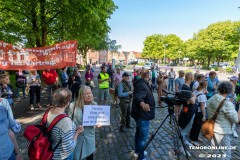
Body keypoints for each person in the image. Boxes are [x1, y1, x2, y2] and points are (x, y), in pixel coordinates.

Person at [47, 88, 84, 160]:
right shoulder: (65, 121)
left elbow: (59, 131)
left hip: (51, 152)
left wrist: (73, 129)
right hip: (62, 156)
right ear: (66, 102)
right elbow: (69, 148)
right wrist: (77, 133)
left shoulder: (49, 111)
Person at [207, 81, 240, 160]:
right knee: (225, 154)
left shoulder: (213, 98)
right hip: (222, 131)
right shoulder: (227, 104)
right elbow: (236, 120)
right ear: (229, 90)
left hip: (212, 127)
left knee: (214, 151)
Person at [131, 69, 155, 160]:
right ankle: (140, 157)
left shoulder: (142, 82)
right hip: (142, 115)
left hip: (141, 114)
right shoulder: (142, 84)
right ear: (148, 75)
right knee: (142, 137)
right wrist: (143, 104)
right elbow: (138, 97)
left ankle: (138, 151)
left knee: (139, 134)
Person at [68, 85, 96, 160]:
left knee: (90, 156)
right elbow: (69, 121)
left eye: (90, 93)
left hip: (89, 136)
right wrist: (75, 127)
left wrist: (97, 123)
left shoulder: (94, 105)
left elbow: (96, 120)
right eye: (86, 94)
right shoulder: (73, 105)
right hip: (78, 136)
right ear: (81, 95)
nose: (89, 95)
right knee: (77, 156)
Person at [178, 72, 196, 148]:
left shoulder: (185, 87)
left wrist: (192, 96)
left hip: (187, 110)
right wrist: (194, 96)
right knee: (186, 127)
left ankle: (183, 140)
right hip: (188, 111)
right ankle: (180, 146)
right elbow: (192, 101)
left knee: (186, 127)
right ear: (191, 78)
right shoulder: (186, 88)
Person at [189, 81, 208, 145]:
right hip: (199, 112)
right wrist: (204, 115)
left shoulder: (195, 91)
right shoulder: (202, 95)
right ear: (205, 87)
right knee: (197, 126)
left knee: (194, 124)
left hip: (194, 110)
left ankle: (192, 136)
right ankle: (195, 138)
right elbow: (202, 106)